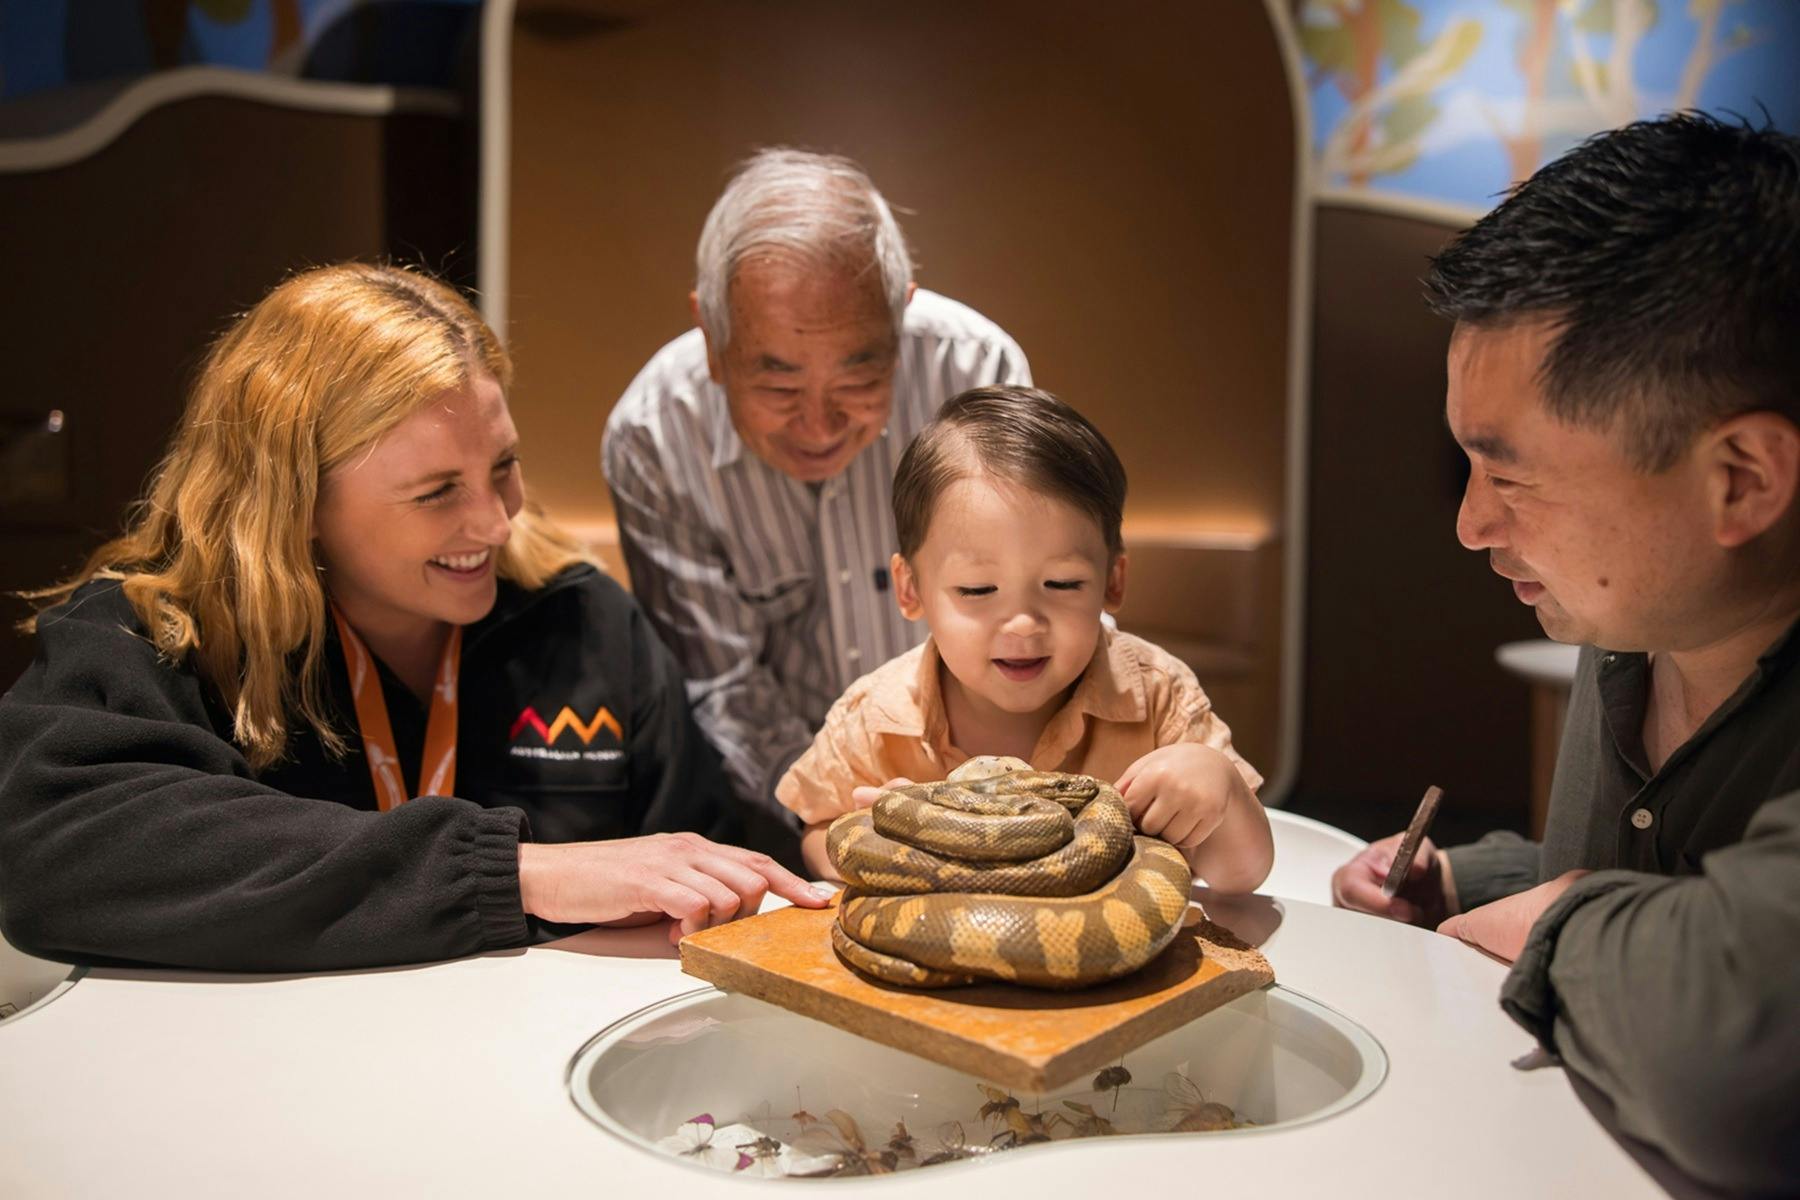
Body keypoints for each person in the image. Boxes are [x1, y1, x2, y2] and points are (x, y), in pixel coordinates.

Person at [0, 263, 826, 973]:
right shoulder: (158, 630)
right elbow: (49, 851)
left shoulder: (582, 623)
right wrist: (514, 872)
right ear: (296, 500)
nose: (497, 523)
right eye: (436, 494)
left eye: (503, 466)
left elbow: (703, 866)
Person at [1330, 114, 1800, 1192]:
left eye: (1515, 477)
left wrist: (1564, 914)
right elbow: (1651, 878)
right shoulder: (1637, 612)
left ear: (1742, 480)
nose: (1472, 528)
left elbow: (1737, 1059)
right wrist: (1472, 881)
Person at [602, 148, 1031, 864]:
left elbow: (1023, 608)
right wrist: (831, 815)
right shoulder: (655, 435)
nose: (820, 425)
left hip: (986, 784)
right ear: (712, 339)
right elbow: (723, 685)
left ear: (902, 315)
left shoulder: (977, 373)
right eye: (778, 387)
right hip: (787, 818)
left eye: (859, 378)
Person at [775, 386, 1273, 892]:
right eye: (977, 589)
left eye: (1062, 584)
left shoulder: (1156, 698)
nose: (1022, 625)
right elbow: (817, 830)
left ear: (1112, 582)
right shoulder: (875, 716)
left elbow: (1243, 877)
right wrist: (878, 838)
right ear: (910, 589)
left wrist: (1220, 787)